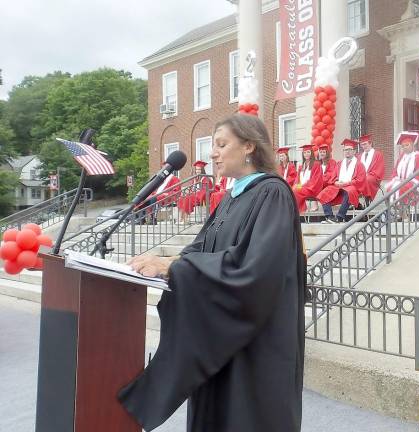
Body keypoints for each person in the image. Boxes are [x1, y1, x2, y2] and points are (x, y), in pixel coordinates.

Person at [118, 114, 305, 432]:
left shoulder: (272, 194)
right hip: (224, 340)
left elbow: (256, 269)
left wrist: (177, 268)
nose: (213, 153)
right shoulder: (231, 199)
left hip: (256, 345)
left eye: (221, 144)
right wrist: (168, 266)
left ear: (248, 146)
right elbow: (199, 251)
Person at [317, 139, 366, 223]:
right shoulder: (339, 163)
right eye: (345, 150)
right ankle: (329, 217)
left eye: (350, 149)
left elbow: (360, 180)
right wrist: (336, 182)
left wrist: (347, 183)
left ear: (354, 151)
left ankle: (339, 217)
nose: (347, 151)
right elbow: (334, 176)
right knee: (323, 193)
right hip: (339, 186)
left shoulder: (359, 164)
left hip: (352, 187)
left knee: (349, 191)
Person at [386, 131, 419, 204]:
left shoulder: (418, 156)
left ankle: (403, 210)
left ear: (412, 145)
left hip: (414, 181)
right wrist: (395, 179)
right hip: (402, 181)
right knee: (390, 188)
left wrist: (407, 181)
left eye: (407, 145)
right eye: (402, 146)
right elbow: (395, 171)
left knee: (402, 188)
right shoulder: (401, 157)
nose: (404, 147)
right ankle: (401, 212)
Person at [293, 143, 323, 213]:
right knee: (292, 190)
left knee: (296, 191)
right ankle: (295, 209)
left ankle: (299, 210)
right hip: (303, 187)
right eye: (305, 152)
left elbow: (315, 180)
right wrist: (296, 185)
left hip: (312, 188)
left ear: (311, 153)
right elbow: (297, 179)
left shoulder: (316, 164)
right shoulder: (301, 166)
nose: (306, 154)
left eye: (308, 152)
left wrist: (300, 186)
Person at [357, 134, 385, 206]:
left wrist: (367, 175)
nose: (364, 146)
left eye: (365, 144)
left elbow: (379, 169)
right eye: (362, 145)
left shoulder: (378, 154)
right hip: (362, 177)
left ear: (370, 143)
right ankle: (356, 203)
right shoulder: (359, 156)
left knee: (367, 179)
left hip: (373, 177)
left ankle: (367, 200)